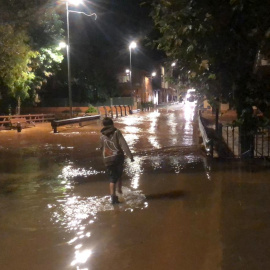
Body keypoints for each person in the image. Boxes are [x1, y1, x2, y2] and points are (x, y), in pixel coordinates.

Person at [100, 117, 134, 204]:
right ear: (112, 124)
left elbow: (101, 148)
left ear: (103, 125)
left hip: (107, 159)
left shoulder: (102, 135)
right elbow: (123, 144)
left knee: (112, 178)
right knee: (119, 175)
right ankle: (119, 192)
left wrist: (104, 158)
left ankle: (113, 197)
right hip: (118, 158)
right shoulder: (117, 132)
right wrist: (130, 156)